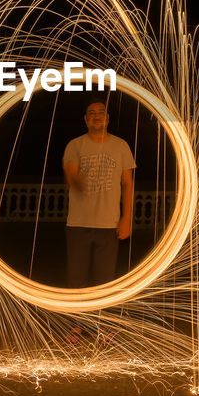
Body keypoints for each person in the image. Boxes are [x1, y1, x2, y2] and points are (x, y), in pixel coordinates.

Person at [62, 98, 136, 290]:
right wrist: (73, 177)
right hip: (78, 224)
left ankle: (100, 320)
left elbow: (128, 184)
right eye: (92, 114)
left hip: (109, 225)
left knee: (105, 283)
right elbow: (71, 173)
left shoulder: (121, 146)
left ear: (108, 118)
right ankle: (79, 320)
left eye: (101, 112)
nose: (97, 116)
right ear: (86, 120)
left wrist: (126, 219)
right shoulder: (74, 145)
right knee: (76, 282)